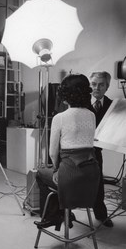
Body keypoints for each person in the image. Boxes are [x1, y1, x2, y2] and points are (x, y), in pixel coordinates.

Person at [35, 73, 100, 230]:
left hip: (70, 177)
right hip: (91, 176)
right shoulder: (92, 115)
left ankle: (53, 216)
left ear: (65, 94)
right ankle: (65, 213)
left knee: (41, 173)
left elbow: (52, 152)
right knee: (61, 177)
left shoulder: (60, 117)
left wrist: (56, 169)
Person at [89, 71, 113, 227]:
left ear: (107, 86)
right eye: (93, 84)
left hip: (97, 150)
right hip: (79, 148)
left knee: (98, 183)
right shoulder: (81, 102)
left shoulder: (113, 105)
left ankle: (101, 214)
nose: (97, 88)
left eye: (101, 84)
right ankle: (67, 212)